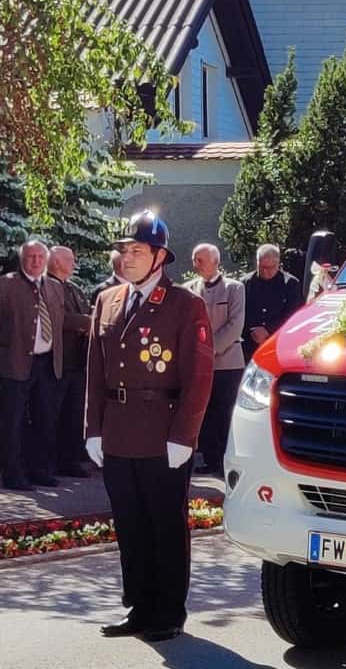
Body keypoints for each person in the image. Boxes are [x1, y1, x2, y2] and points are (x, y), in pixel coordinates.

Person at [86, 210, 212, 642]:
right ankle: (139, 606)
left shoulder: (185, 305)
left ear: (159, 256)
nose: (127, 258)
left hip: (162, 432)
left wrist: (184, 435)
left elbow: (199, 377)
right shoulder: (108, 300)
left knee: (164, 523)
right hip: (118, 429)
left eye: (137, 251)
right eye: (123, 250)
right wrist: (92, 427)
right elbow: (95, 370)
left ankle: (168, 611)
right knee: (130, 523)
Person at [0, 239, 68, 490]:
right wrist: (2, 356)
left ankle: (40, 470)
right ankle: (13, 475)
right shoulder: (5, 285)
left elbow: (59, 323)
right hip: (15, 363)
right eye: (31, 256)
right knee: (12, 422)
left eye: (40, 256)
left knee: (45, 420)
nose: (36, 261)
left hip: (47, 363)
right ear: (22, 259)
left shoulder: (54, 287)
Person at [184, 243, 245, 476]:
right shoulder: (188, 290)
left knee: (225, 413)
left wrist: (208, 350)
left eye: (200, 260)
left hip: (227, 363)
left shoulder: (234, 288)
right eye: (194, 259)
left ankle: (225, 462)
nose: (195, 264)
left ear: (215, 262)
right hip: (198, 364)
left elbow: (235, 325)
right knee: (205, 412)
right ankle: (210, 459)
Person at [49, 245, 92, 478]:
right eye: (70, 260)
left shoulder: (74, 288)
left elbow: (86, 311)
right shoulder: (47, 286)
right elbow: (58, 318)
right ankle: (49, 463)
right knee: (53, 414)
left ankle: (70, 460)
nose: (74, 264)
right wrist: (88, 322)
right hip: (57, 362)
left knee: (74, 414)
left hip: (78, 362)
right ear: (56, 262)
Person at [242, 243, 301, 361]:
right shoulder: (245, 283)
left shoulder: (290, 283)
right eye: (262, 267)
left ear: (278, 264)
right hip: (249, 342)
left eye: (270, 268)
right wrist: (252, 329)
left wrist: (268, 329)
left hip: (278, 341)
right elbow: (239, 312)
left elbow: (293, 315)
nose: (265, 271)